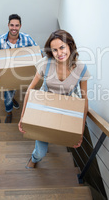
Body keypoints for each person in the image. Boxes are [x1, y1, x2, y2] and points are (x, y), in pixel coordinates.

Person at [18, 29, 90, 169]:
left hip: (64, 110)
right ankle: (34, 159)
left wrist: (80, 131)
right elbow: (30, 89)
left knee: (58, 138)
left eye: (62, 47)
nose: (59, 53)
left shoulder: (81, 68)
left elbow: (84, 100)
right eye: (55, 50)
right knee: (40, 152)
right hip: (43, 107)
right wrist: (23, 117)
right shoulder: (46, 63)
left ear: (70, 45)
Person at [0, 14, 38, 123]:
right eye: (12, 25)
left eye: (16, 25)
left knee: (30, 89)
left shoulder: (27, 38)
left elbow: (37, 52)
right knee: (7, 95)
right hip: (7, 73)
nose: (14, 28)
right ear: (8, 25)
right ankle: (9, 112)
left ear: (20, 26)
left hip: (22, 72)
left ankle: (17, 102)